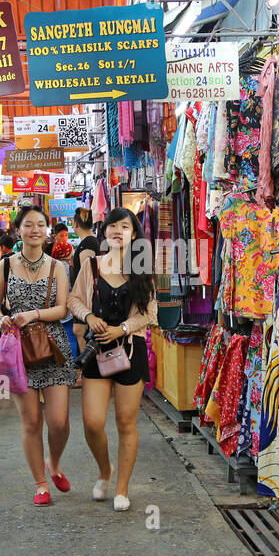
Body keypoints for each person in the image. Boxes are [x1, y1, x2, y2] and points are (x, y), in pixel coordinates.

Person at [67, 207, 157, 512]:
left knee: (125, 421)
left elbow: (150, 313)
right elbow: (74, 300)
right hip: (97, 352)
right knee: (92, 422)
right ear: (105, 231)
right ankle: (105, 470)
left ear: (134, 234)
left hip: (131, 352)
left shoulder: (141, 267)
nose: (119, 231)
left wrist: (122, 328)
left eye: (126, 227)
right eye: (114, 226)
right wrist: (89, 316)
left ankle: (122, 488)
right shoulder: (91, 265)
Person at [0, 206, 75, 506]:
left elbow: (63, 308)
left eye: (40, 224)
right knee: (31, 421)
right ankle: (40, 483)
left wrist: (35, 314)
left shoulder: (58, 267)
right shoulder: (6, 265)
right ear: (18, 229)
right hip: (18, 351)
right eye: (28, 224)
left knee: (60, 421)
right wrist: (0, 318)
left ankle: (54, 462)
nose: (34, 229)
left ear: (46, 230)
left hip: (54, 349)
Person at [68, 207, 101, 348]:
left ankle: (85, 369)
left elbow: (87, 276)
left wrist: (85, 307)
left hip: (85, 299)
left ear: (75, 224)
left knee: (81, 332)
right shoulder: (91, 241)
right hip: (85, 299)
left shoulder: (87, 244)